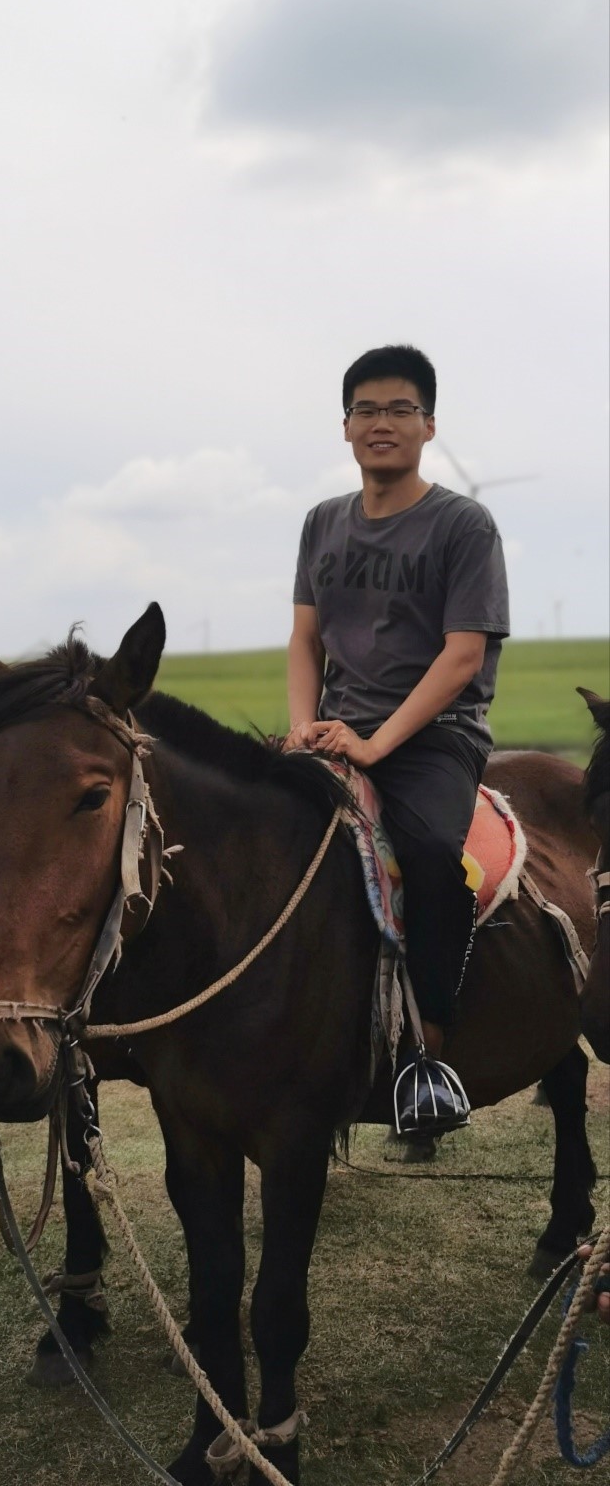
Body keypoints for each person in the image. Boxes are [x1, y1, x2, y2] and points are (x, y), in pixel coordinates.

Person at [284, 344, 510, 1138]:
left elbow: (463, 657)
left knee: (431, 856)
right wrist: (302, 726)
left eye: (401, 410)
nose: (382, 423)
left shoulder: (463, 525)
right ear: (346, 425)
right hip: (336, 732)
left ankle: (428, 1054)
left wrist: (378, 744)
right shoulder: (322, 522)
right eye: (367, 410)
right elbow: (305, 639)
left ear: (429, 425)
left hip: (435, 738)